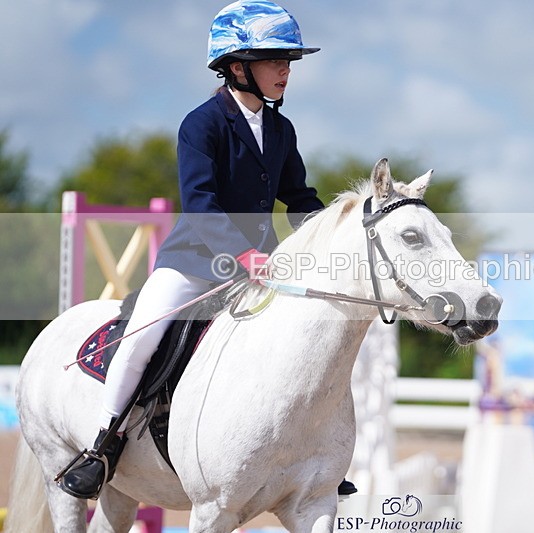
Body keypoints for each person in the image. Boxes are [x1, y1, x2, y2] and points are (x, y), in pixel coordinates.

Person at [59, 0, 356, 500]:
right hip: (197, 262)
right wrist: (244, 257)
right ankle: (105, 442)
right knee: (140, 339)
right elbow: (201, 204)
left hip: (260, 268)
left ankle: (307, 451)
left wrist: (332, 234)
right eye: (273, 60)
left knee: (309, 338)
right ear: (238, 67)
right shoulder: (202, 124)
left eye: (288, 61)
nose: (285, 70)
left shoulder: (281, 129)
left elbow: (300, 197)